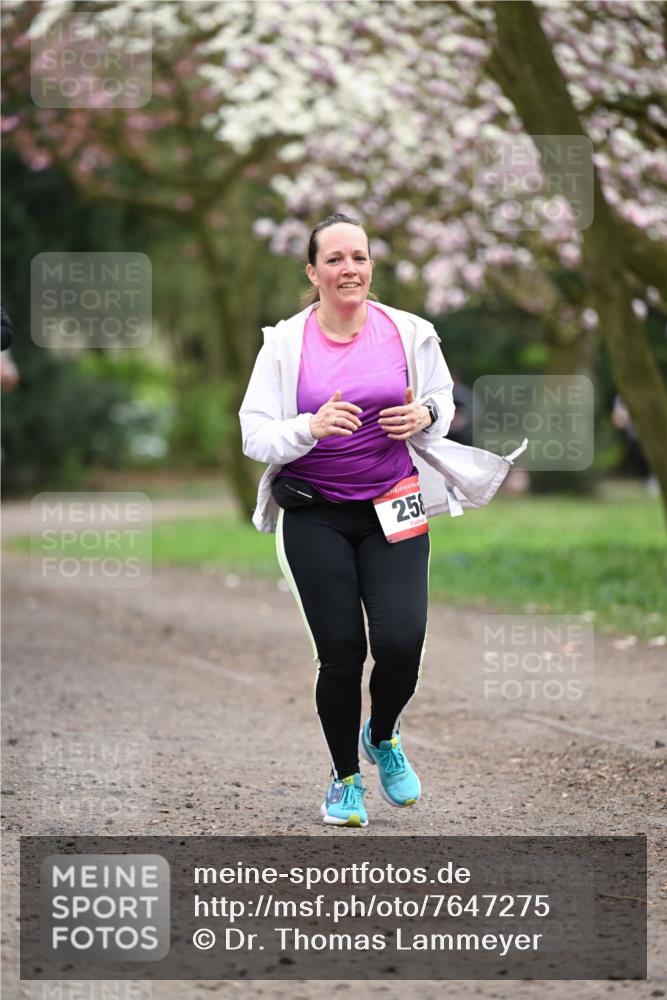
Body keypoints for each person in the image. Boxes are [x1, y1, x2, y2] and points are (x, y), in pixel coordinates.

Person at [239, 213, 526, 828]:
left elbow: (444, 401)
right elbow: (253, 433)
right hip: (314, 511)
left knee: (401, 642)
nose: (351, 269)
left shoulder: (409, 332)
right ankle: (345, 780)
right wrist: (307, 428)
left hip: (393, 503)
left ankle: (384, 733)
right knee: (342, 651)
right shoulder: (285, 344)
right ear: (313, 272)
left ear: (371, 266)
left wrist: (423, 414)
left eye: (360, 257)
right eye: (336, 259)